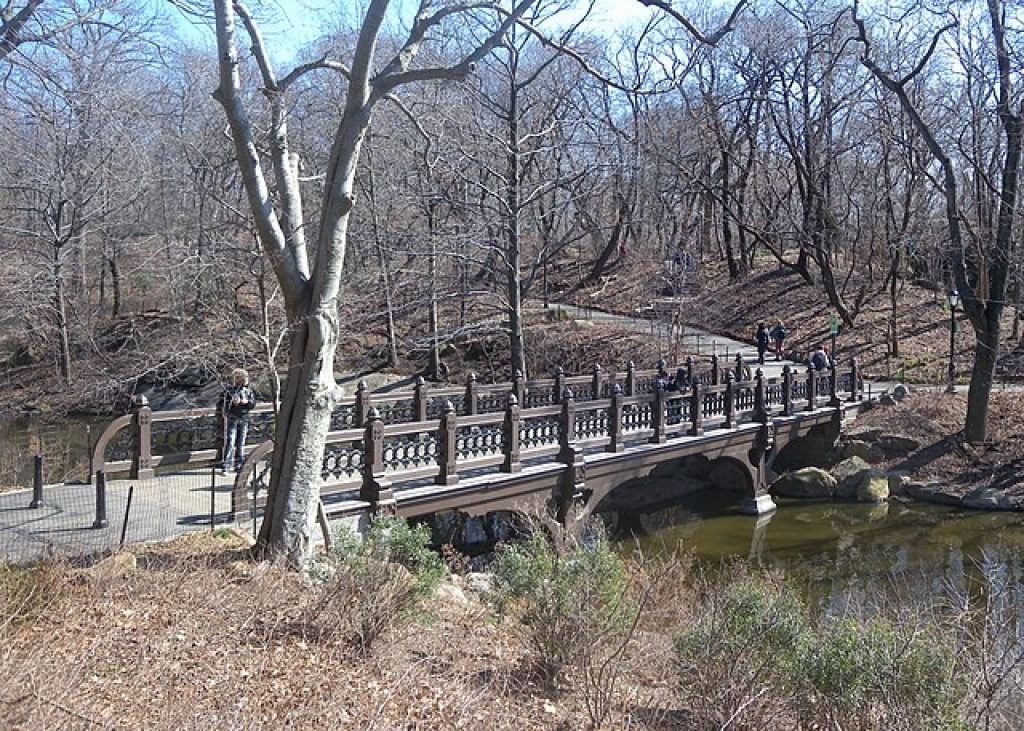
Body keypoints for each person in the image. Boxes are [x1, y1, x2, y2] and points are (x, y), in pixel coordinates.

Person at [220, 368, 256, 474]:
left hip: (244, 418)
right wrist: (233, 403)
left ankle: (238, 465)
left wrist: (246, 402)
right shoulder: (230, 391)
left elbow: (252, 404)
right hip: (233, 418)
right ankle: (226, 465)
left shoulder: (248, 391)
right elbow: (225, 405)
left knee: (241, 443)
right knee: (230, 442)